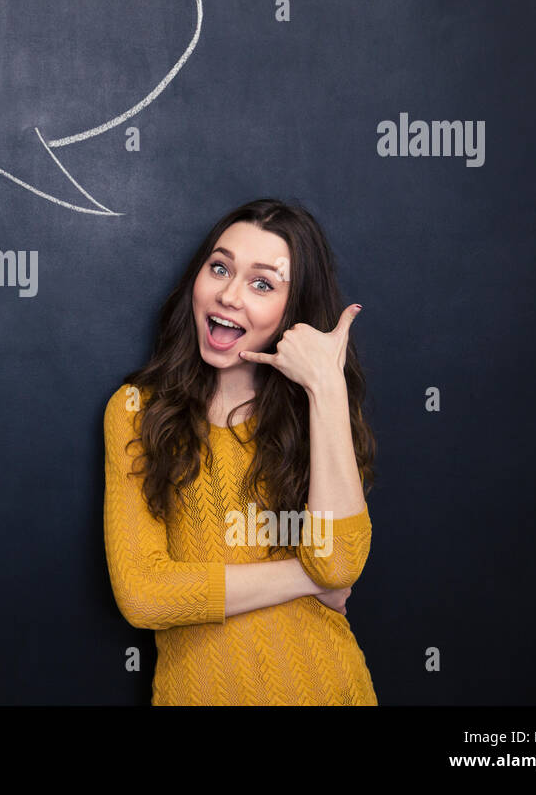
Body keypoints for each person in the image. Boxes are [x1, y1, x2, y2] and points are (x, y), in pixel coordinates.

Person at [103, 197, 378, 705]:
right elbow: (143, 595)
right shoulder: (138, 411)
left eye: (262, 283)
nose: (229, 295)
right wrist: (305, 577)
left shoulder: (317, 413)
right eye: (220, 267)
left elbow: (338, 566)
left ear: (292, 312)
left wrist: (325, 387)